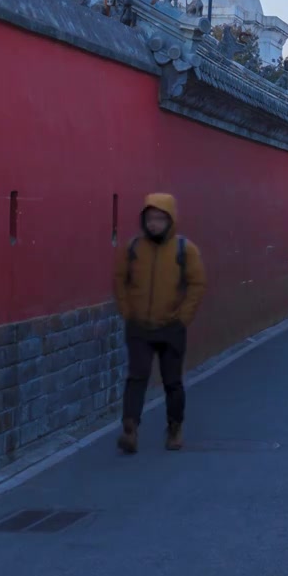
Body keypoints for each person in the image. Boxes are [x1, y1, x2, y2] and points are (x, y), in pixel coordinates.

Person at [113, 192, 206, 454]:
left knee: (172, 381)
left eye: (160, 219)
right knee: (136, 378)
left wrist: (183, 317)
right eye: (150, 218)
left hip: (171, 327)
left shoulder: (184, 249)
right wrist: (127, 311)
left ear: (170, 220)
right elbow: (119, 279)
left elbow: (197, 284)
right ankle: (130, 428)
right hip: (139, 326)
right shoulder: (133, 248)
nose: (154, 224)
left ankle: (175, 427)